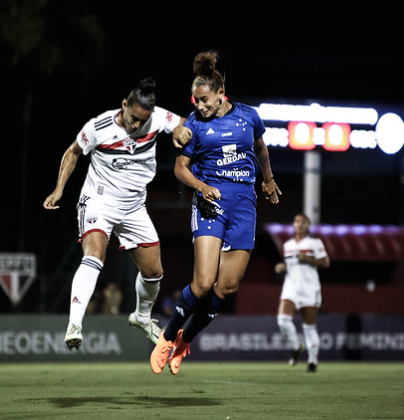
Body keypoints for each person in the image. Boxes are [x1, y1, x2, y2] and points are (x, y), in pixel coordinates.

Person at [150, 51, 281, 375]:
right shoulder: (193, 125)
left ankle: (185, 340)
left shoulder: (249, 117)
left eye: (205, 100)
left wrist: (268, 180)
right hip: (211, 204)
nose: (200, 105)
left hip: (244, 206)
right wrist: (200, 186)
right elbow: (180, 168)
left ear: (221, 93)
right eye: (196, 100)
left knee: (227, 288)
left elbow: (261, 149)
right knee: (203, 283)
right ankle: (166, 337)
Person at [43, 77, 192, 350]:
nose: (137, 125)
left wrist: (180, 130)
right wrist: (59, 189)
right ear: (124, 105)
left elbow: (183, 122)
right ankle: (75, 323)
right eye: (133, 118)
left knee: (154, 271)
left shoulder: (157, 117)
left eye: (142, 121)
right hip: (99, 201)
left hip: (134, 206)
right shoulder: (98, 127)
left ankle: (142, 317)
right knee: (95, 255)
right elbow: (73, 152)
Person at [274, 213, 330, 373]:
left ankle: (312, 361)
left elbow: (326, 262)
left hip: (309, 289)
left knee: (309, 328)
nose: (300, 224)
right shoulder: (288, 245)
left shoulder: (314, 243)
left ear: (308, 225)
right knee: (282, 320)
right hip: (291, 287)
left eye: (303, 222)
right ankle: (296, 347)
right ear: (293, 225)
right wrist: (282, 267)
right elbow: (291, 264)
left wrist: (308, 259)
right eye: (297, 221)